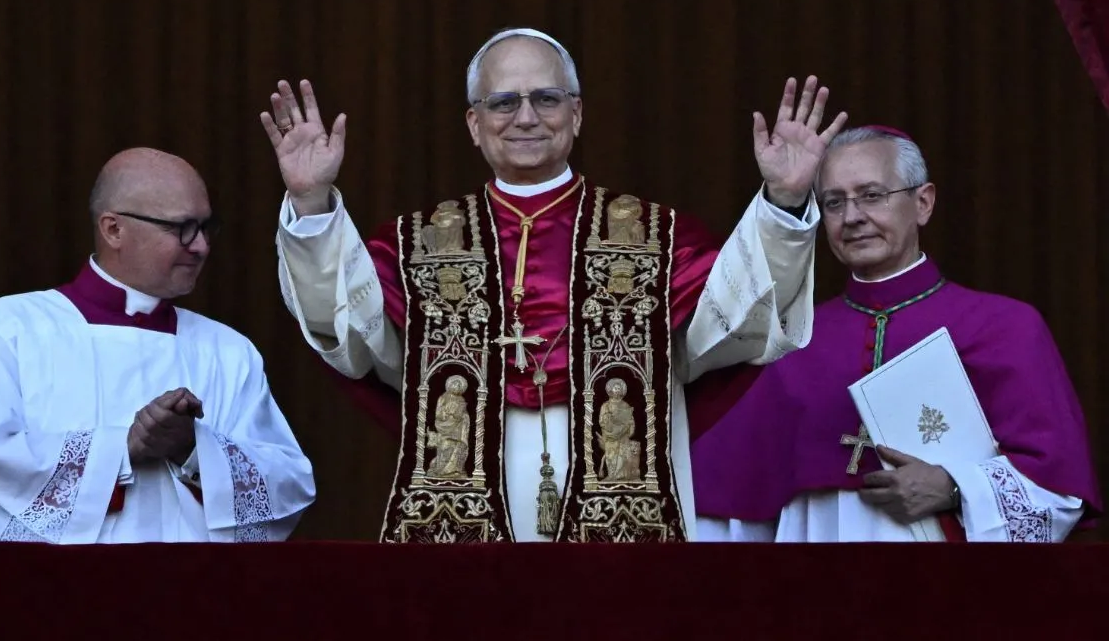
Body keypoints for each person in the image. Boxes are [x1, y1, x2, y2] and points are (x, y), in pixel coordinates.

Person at [263, 27, 847, 543]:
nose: (525, 117)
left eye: (547, 98)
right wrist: (312, 203)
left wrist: (784, 201)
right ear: (473, 122)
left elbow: (740, 317)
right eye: (502, 102)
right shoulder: (417, 246)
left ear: (577, 114)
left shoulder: (654, 238)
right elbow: (345, 329)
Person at [691, 125, 1101, 542]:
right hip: (814, 588)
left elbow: (1056, 491)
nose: (852, 217)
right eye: (834, 202)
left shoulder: (1005, 326)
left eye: (872, 195)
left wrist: (954, 486)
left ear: (922, 203)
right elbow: (731, 506)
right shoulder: (792, 341)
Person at [0, 147, 317, 543]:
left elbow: (288, 487)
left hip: (195, 593)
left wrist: (193, 449)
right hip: (51, 594)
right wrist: (122, 448)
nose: (201, 246)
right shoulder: (6, 329)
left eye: (206, 227)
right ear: (113, 229)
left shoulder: (228, 351)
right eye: (182, 228)